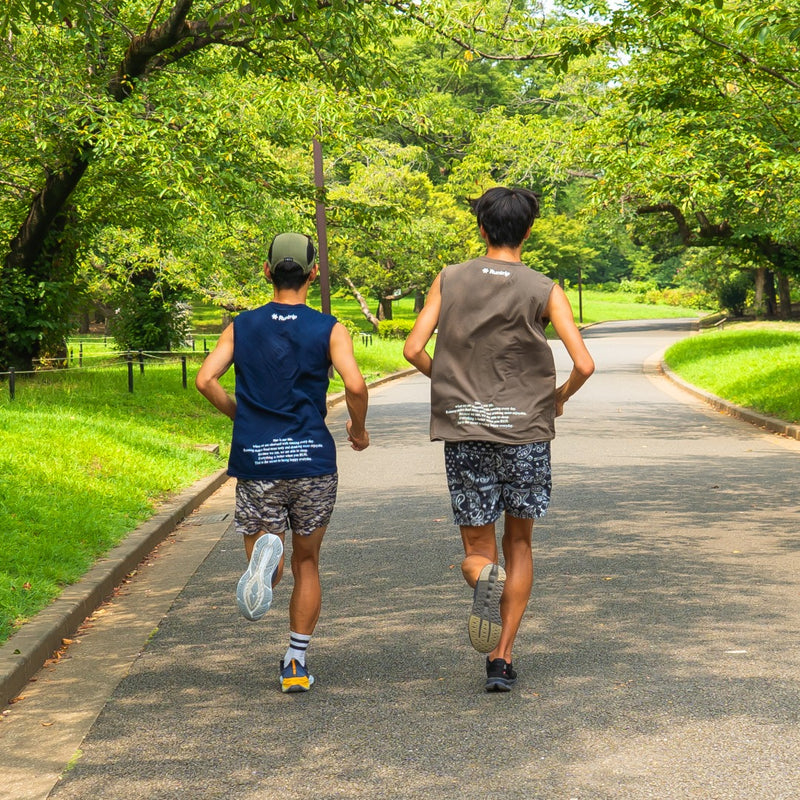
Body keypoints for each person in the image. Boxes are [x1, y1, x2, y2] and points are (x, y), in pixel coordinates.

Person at [403, 187, 594, 692]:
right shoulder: (545, 288)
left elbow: (413, 348)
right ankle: (502, 657)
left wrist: (451, 387)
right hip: (527, 433)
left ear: (482, 229)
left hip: (466, 428)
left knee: (477, 547)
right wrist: (558, 398)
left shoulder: (449, 279)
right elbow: (584, 364)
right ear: (528, 231)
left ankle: (481, 579)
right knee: (521, 543)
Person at [196, 232, 369, 693]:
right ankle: (295, 662)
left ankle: (264, 563)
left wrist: (241, 415)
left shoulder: (242, 325)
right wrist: (358, 430)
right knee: (308, 562)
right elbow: (354, 385)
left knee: (267, 557)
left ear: (267, 272)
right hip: (312, 460)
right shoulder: (329, 327)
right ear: (314, 273)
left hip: (258, 460)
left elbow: (206, 379)